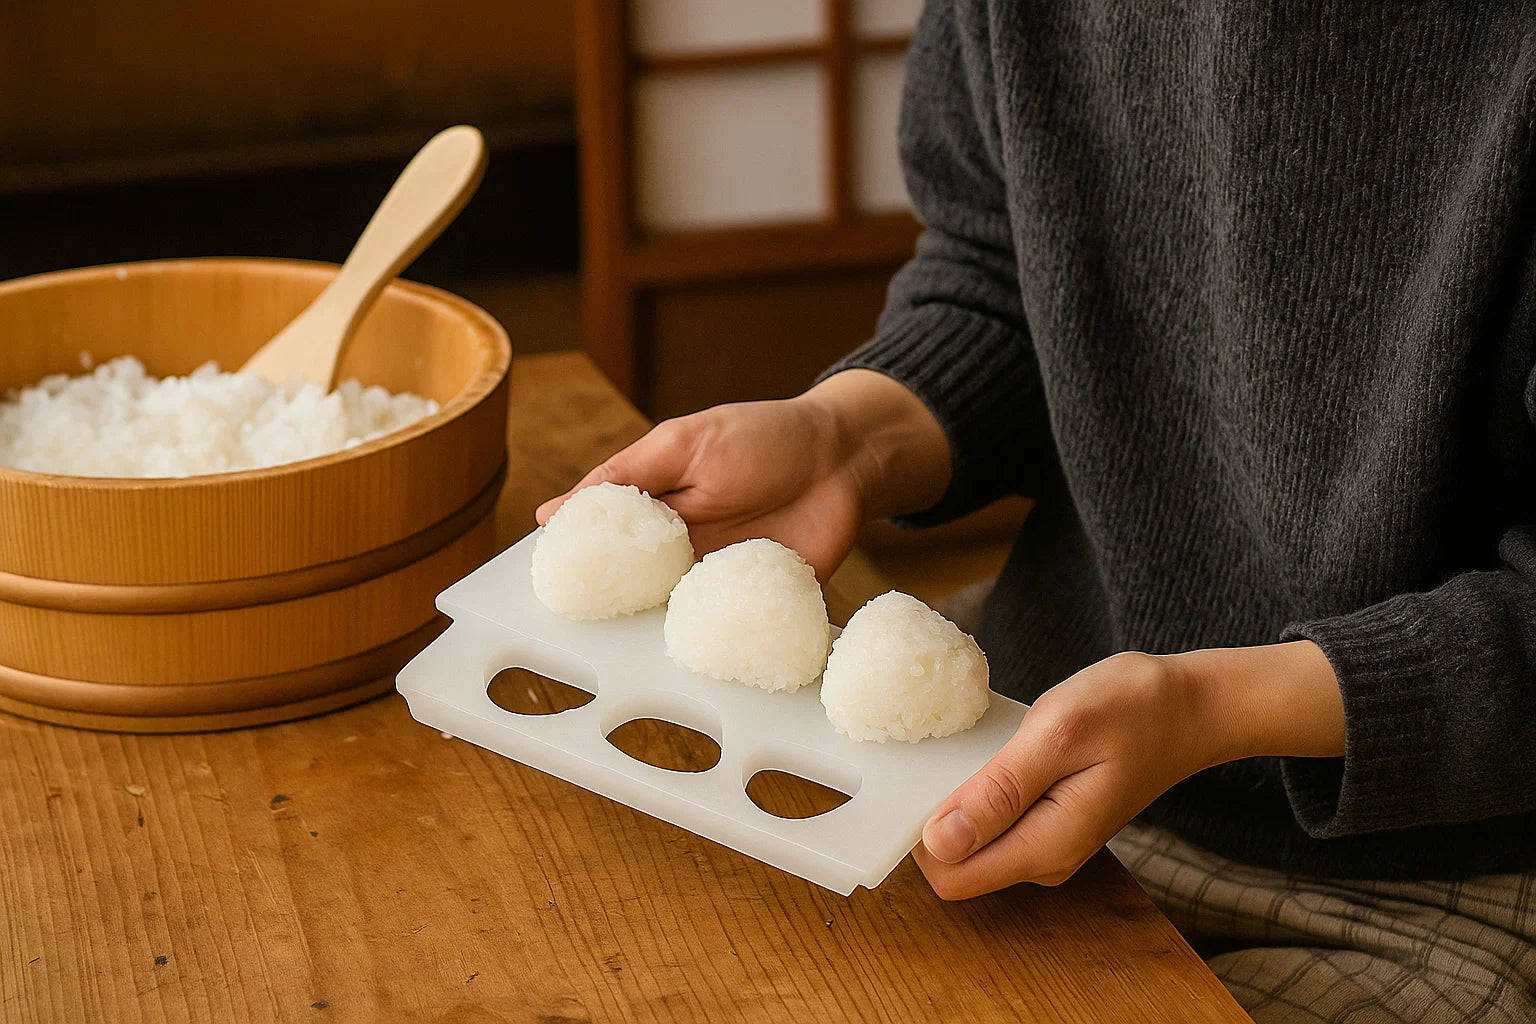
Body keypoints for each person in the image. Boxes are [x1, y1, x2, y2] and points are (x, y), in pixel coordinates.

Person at [540, 3, 1536, 1020]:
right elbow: (1003, 272)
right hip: (1014, 730)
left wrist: (1210, 709)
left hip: (1432, 873)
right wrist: (847, 438)